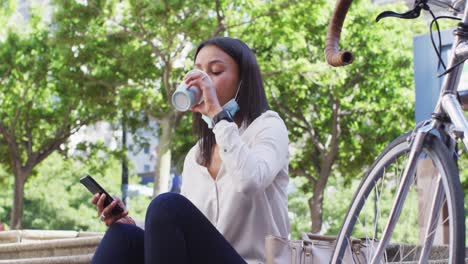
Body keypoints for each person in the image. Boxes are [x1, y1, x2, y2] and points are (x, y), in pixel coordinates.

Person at [91, 37, 290, 264]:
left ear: (243, 81)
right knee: (123, 234)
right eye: (198, 72)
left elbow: (250, 181)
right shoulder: (196, 157)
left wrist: (218, 114)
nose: (202, 82)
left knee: (166, 205)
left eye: (215, 72)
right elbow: (188, 230)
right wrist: (130, 222)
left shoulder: (268, 126)